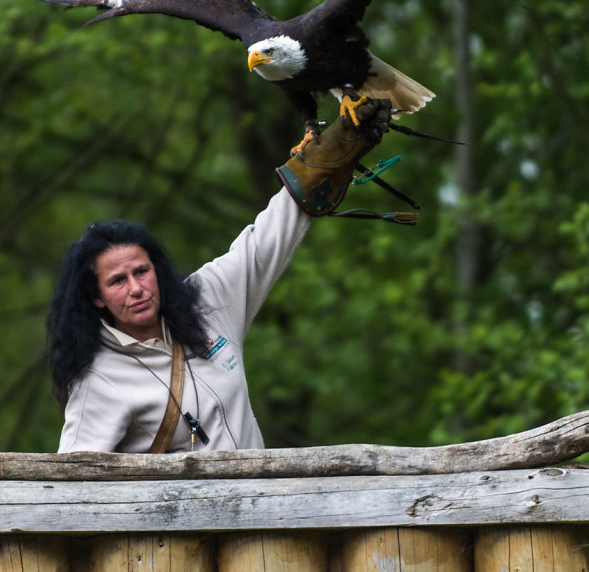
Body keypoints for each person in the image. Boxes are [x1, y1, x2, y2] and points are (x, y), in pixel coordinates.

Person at [47, 98, 394, 453]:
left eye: (141, 271)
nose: (136, 288)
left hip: (269, 504)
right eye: (118, 281)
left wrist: (333, 156)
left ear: (156, 269)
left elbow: (264, 242)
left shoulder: (206, 300)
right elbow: (73, 487)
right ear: (96, 296)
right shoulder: (98, 381)